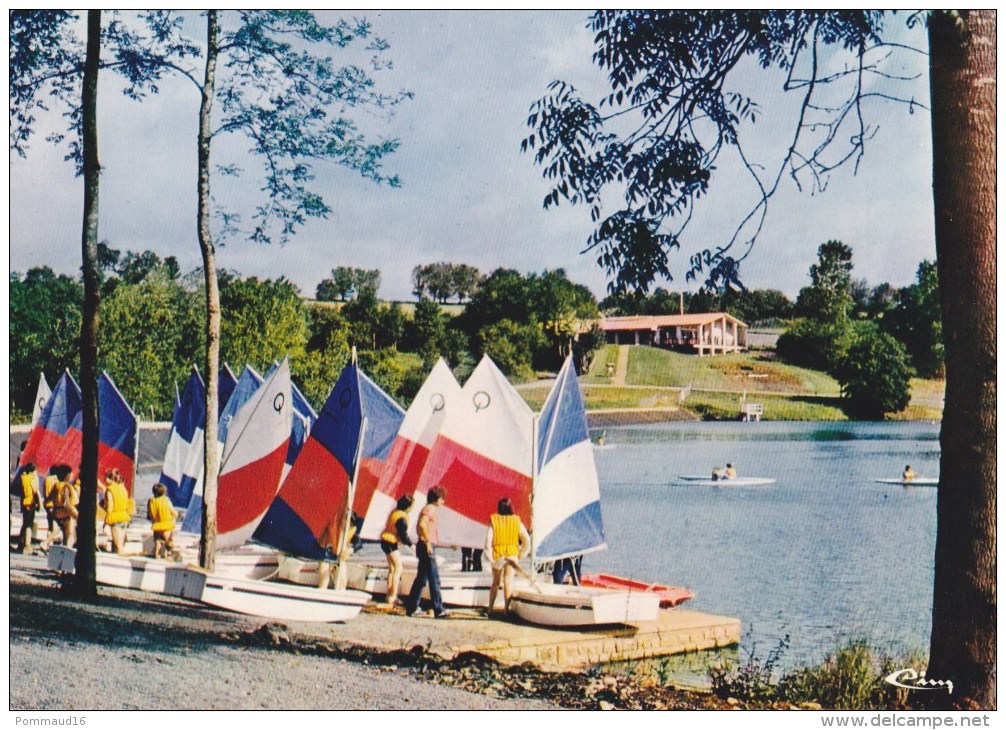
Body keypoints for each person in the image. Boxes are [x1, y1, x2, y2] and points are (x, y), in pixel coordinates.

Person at [404, 486, 448, 618]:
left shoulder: (427, 508)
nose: (443, 501)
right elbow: (422, 524)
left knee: (421, 579)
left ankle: (411, 608)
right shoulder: (430, 508)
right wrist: (428, 542)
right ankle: (438, 609)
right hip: (426, 545)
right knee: (434, 578)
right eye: (442, 498)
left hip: (423, 545)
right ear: (436, 499)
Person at [485, 497, 530, 616]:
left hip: (498, 555)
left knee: (495, 582)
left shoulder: (494, 521)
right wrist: (521, 554)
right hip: (512, 554)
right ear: (511, 508)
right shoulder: (517, 522)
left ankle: (490, 609)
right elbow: (526, 540)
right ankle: (506, 610)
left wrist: (490, 558)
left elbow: (488, 541)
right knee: (508, 581)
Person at [379, 495, 414, 607]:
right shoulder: (402, 518)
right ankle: (393, 597)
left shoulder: (395, 512)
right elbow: (403, 535)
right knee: (398, 568)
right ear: (408, 506)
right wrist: (412, 546)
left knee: (392, 568)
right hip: (390, 543)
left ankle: (389, 596)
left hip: (385, 541)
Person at [102, 468, 131, 554]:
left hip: (115, 519)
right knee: (119, 545)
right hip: (124, 517)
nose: (105, 480)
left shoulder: (110, 490)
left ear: (110, 479)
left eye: (106, 478)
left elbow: (110, 507)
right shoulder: (123, 488)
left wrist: (106, 521)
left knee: (118, 547)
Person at [147, 483, 178, 560]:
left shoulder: (151, 501)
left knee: (158, 541)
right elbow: (173, 512)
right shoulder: (166, 501)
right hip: (166, 525)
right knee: (169, 542)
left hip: (156, 525)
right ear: (164, 492)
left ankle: (157, 555)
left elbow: (149, 514)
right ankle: (170, 555)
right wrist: (177, 515)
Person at [51, 465, 79, 549]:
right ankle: (68, 549)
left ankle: (64, 549)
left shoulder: (57, 486)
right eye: (71, 473)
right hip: (66, 513)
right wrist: (75, 513)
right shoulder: (65, 487)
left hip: (57, 512)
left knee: (65, 534)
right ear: (67, 475)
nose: (72, 475)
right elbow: (67, 502)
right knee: (71, 534)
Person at [17, 463, 41, 554]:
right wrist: (39, 504)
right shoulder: (32, 479)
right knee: (29, 524)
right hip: (31, 503)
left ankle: (20, 542)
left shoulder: (23, 478)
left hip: (24, 502)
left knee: (25, 523)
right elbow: (36, 492)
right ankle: (27, 545)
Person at [41, 469, 62, 551]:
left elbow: (44, 492)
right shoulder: (55, 481)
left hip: (46, 503)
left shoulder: (46, 479)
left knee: (50, 525)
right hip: (52, 504)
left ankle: (48, 544)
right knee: (55, 528)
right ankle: (45, 542)